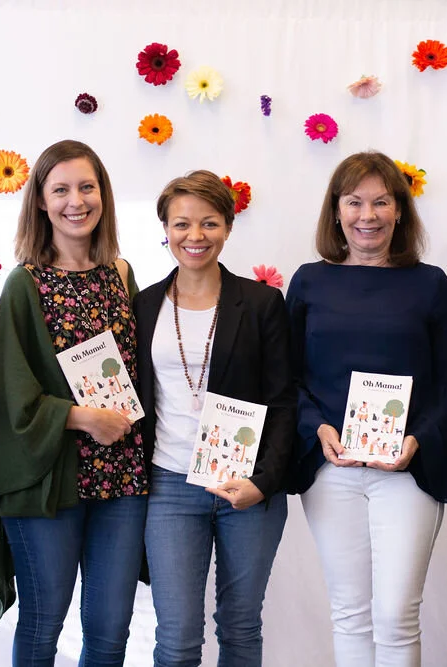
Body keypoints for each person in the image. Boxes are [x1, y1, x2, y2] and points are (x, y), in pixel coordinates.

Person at [0, 139, 146, 666]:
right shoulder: (24, 284)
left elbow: (144, 368)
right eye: (61, 190)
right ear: (41, 203)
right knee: (44, 622)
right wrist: (80, 417)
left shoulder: (122, 274)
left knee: (111, 630)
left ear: (103, 195)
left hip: (122, 478)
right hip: (49, 480)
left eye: (87, 187)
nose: (76, 201)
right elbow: (7, 393)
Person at [286, 151, 447, 667]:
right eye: (354, 202)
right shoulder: (309, 281)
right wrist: (316, 428)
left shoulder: (430, 283)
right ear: (336, 211)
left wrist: (418, 439)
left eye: (381, 202)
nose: (368, 215)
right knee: (349, 613)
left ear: (400, 211)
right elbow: (287, 379)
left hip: (408, 469)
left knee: (395, 615)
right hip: (331, 468)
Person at [134, 169, 294, 666]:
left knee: (241, 626)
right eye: (182, 224)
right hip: (169, 485)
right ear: (165, 230)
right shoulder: (143, 305)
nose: (195, 236)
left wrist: (263, 483)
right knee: (177, 636)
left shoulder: (262, 303)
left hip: (247, 485)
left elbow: (284, 401)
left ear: (228, 227)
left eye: (209, 223)